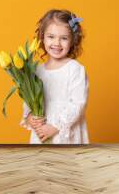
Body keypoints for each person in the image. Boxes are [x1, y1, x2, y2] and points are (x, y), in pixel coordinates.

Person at [21, 9, 89, 144]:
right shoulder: (36, 70)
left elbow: (77, 103)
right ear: (42, 37)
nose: (57, 43)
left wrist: (55, 127)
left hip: (64, 132)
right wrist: (29, 117)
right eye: (51, 37)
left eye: (64, 38)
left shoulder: (74, 69)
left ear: (73, 41)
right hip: (42, 131)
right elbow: (29, 99)